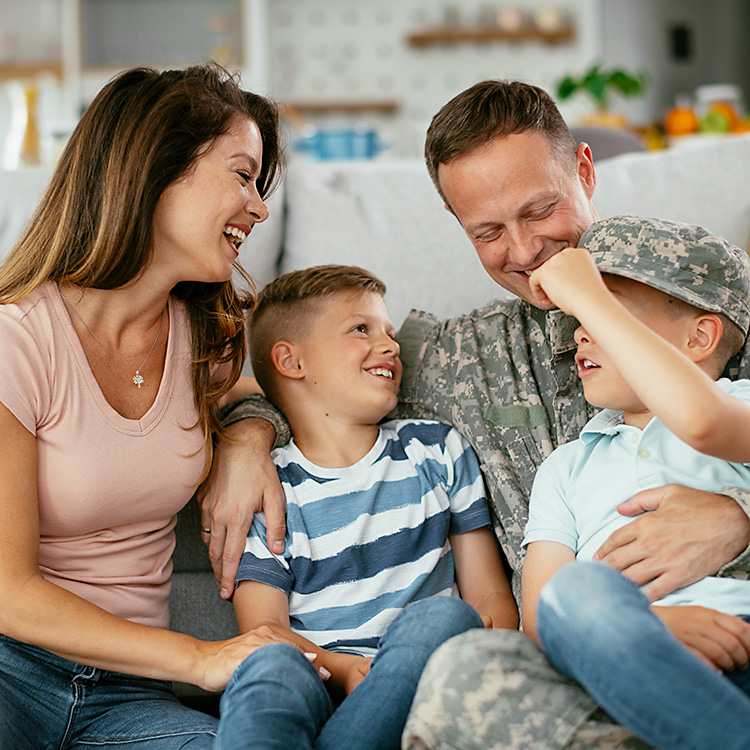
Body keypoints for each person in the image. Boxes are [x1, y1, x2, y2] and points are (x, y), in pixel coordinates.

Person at [216, 80, 750, 749]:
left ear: (584, 171)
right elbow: (303, 377)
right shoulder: (451, 357)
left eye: (541, 210)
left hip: (731, 635)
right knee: (462, 666)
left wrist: (742, 518)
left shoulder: (690, 293)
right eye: (489, 232)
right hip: (565, 675)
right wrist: (245, 438)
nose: (524, 252)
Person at [0, 63, 299, 749]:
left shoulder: (208, 336)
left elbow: (255, 398)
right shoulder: (17, 340)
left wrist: (247, 439)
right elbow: (7, 591)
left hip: (125, 698)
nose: (258, 208)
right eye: (243, 175)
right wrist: (202, 657)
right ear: (157, 166)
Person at [213, 264, 518, 750]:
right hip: (321, 680)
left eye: (390, 332)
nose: (391, 345)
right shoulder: (269, 489)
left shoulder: (436, 451)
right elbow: (265, 630)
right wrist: (348, 671)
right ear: (291, 362)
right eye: (362, 329)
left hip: (430, 675)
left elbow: (489, 600)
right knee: (268, 666)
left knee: (444, 619)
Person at [521, 215, 750, 750]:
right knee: (574, 589)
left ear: (699, 337)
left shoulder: (737, 405)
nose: (580, 327)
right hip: (627, 662)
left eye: (607, 309)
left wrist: (585, 291)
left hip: (741, 631)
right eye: (577, 315)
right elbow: (542, 616)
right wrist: (655, 628)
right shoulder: (566, 467)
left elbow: (701, 418)